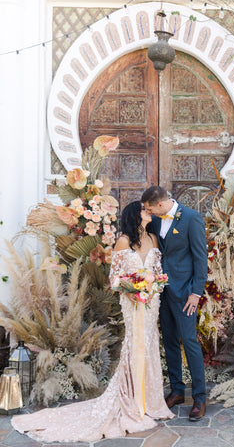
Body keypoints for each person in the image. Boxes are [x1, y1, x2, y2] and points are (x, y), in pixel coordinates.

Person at [11, 201, 174, 442]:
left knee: (149, 346)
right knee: (135, 345)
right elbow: (115, 278)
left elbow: (158, 271)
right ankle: (133, 400)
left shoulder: (153, 238)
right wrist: (130, 291)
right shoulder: (123, 241)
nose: (148, 212)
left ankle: (150, 400)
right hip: (132, 303)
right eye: (144, 210)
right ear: (133, 215)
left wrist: (154, 285)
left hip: (151, 303)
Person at [141, 186, 207, 421]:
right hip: (163, 292)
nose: (148, 212)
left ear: (160, 205)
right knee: (169, 341)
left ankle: (199, 397)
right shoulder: (157, 222)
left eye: (149, 208)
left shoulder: (191, 218)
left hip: (185, 293)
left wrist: (196, 293)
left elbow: (201, 258)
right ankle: (177, 390)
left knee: (189, 342)